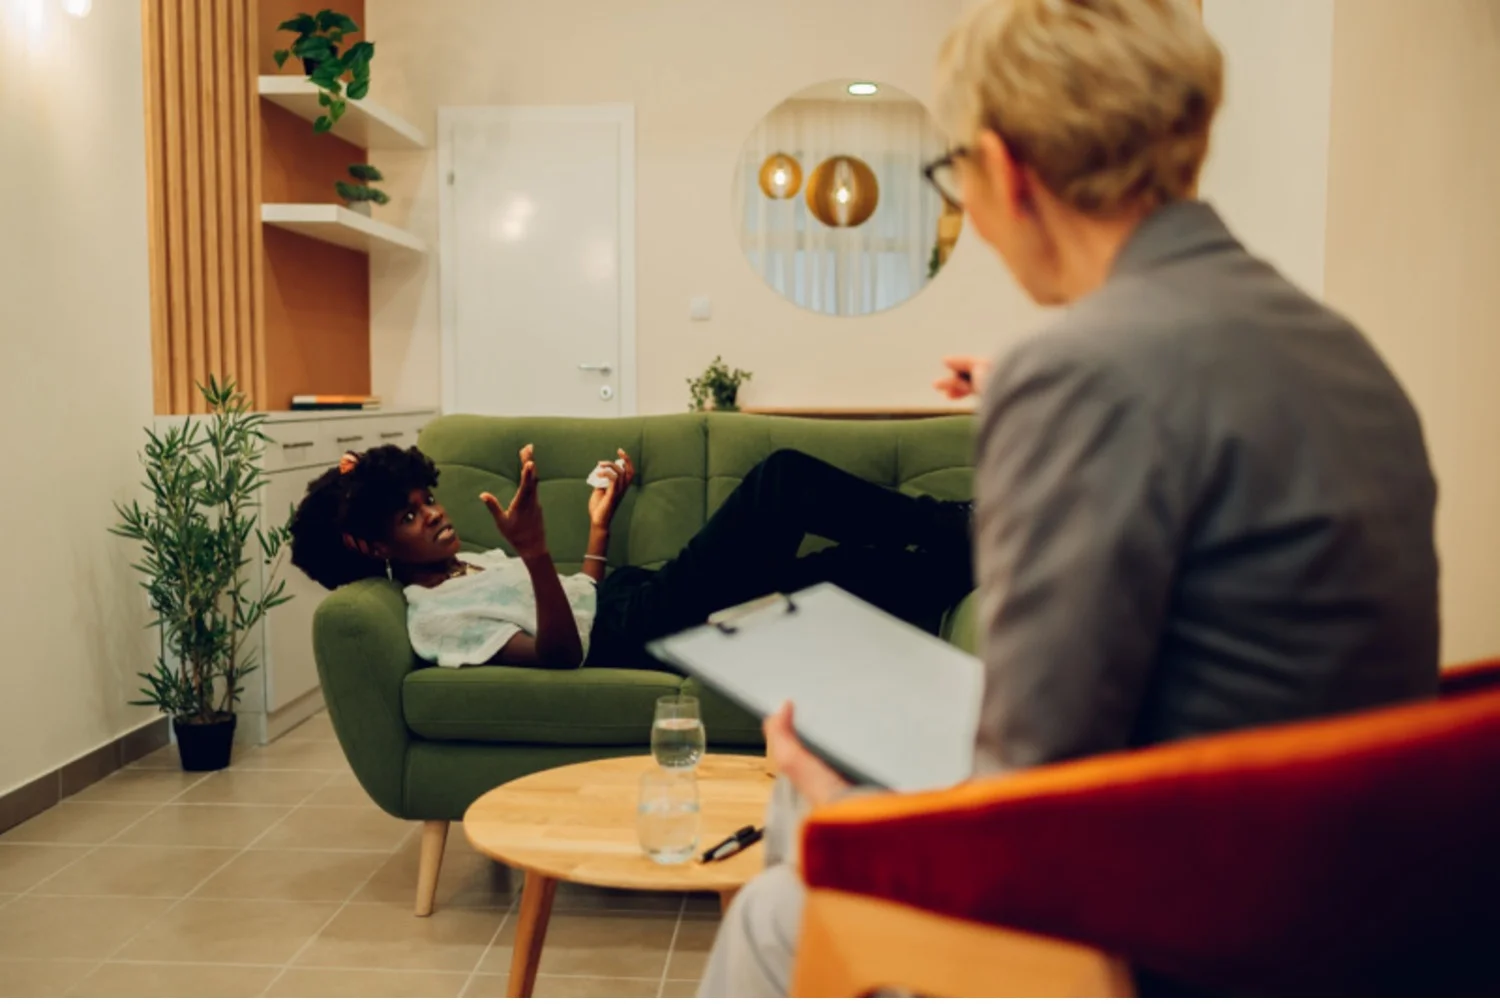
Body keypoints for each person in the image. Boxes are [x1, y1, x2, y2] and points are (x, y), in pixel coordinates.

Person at [699, 0, 1439, 995]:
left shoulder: (1088, 370)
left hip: (1174, 933)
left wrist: (841, 808)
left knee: (775, 897)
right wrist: (1055, 386)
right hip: (1338, 899)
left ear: (1004, 170)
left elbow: (1032, 809)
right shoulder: (1339, 350)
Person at [288, 444, 973, 670]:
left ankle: (990, 555)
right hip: (636, 631)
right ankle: (954, 521)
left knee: (844, 577)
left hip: (634, 600)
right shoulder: (432, 617)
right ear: (375, 547)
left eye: (423, 499)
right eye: (408, 515)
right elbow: (562, 655)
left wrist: (598, 528)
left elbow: (577, 597)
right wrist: (530, 554)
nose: (433, 513)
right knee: (782, 479)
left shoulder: (463, 562)